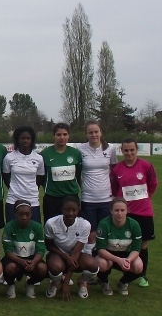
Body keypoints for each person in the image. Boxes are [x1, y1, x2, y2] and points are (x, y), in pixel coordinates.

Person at [110, 138, 157, 287]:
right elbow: (114, 188)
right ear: (121, 151)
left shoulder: (146, 166)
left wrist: (145, 199)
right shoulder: (117, 169)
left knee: (143, 244)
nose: (129, 153)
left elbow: (152, 184)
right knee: (127, 244)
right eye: (126, 150)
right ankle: (129, 273)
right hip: (126, 213)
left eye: (132, 150)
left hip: (144, 212)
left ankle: (142, 275)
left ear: (137, 150)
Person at [44, 196, 99, 300]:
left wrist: (66, 283)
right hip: (57, 254)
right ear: (62, 209)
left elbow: (76, 253)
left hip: (76, 255)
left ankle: (82, 281)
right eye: (67, 210)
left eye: (74, 210)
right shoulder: (51, 223)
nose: (70, 213)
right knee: (55, 267)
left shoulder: (85, 225)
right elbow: (49, 246)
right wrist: (65, 256)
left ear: (78, 210)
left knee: (93, 265)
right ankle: (55, 282)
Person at [76, 120, 117, 252]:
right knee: (91, 234)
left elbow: (114, 171)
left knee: (103, 233)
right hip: (88, 199)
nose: (94, 135)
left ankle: (102, 265)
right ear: (86, 134)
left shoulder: (110, 148)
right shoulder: (80, 150)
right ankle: (90, 267)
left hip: (106, 199)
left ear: (101, 132)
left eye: (96, 131)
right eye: (90, 132)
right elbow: (77, 173)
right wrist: (83, 186)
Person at [95, 198, 143, 296]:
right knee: (101, 264)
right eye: (116, 210)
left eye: (122, 210)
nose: (119, 213)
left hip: (126, 254)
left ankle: (123, 282)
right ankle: (104, 282)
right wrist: (118, 260)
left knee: (138, 266)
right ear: (111, 211)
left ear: (127, 211)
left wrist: (128, 260)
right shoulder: (104, 224)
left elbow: (136, 249)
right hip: (108, 255)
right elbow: (100, 250)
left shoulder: (134, 224)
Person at [1, 200, 47, 299]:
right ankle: (10, 284)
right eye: (21, 214)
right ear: (15, 214)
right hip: (14, 259)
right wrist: (21, 262)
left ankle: (30, 283)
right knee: (10, 268)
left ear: (31, 214)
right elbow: (7, 251)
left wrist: (34, 262)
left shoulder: (37, 227)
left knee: (43, 268)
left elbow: (41, 250)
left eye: (27, 214)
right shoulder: (9, 226)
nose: (24, 217)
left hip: (31, 259)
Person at [40, 123, 82, 221]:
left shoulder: (75, 153)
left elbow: (78, 174)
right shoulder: (45, 154)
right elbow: (41, 176)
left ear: (69, 136)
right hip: (52, 198)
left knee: (72, 226)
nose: (62, 137)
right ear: (53, 136)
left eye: (65, 134)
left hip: (71, 197)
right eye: (58, 134)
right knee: (51, 227)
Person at [2, 126, 44, 223]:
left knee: (34, 230)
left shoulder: (38, 158)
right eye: (22, 138)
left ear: (32, 140)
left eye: (28, 138)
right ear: (17, 140)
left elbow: (39, 177)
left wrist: (30, 190)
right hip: (13, 200)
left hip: (32, 200)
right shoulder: (9, 157)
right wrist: (15, 189)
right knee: (13, 231)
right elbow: (6, 177)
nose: (25, 140)